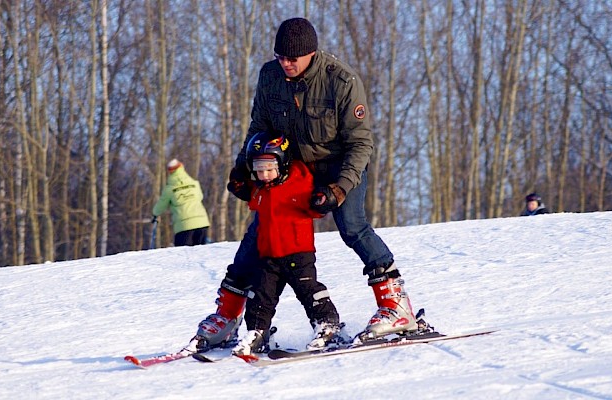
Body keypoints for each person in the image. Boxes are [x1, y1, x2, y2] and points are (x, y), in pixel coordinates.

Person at [185, 17, 433, 354]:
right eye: (280, 57)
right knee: (261, 232)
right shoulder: (270, 76)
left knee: (352, 226)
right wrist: (244, 168)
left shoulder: (341, 81)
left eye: (292, 59)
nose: (285, 64)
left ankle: (397, 306)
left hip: (340, 165)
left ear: (311, 54)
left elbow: (361, 144)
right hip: (294, 168)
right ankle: (227, 316)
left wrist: (340, 188)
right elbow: (259, 127)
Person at [230, 132, 342, 356]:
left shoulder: (299, 182)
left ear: (283, 163)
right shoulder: (261, 188)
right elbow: (250, 196)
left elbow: (315, 208)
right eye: (259, 169)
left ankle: (327, 325)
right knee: (260, 296)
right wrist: (240, 185)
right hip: (269, 256)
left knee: (308, 291)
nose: (264, 174)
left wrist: (321, 200)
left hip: (298, 254)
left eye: (269, 168)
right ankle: (257, 333)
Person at [151, 159, 211, 246]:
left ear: (170, 171)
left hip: (184, 226)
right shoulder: (194, 183)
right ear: (181, 168)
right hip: (202, 222)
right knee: (200, 255)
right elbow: (200, 197)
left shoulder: (170, 188)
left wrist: (154, 214)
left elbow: (160, 206)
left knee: (183, 256)